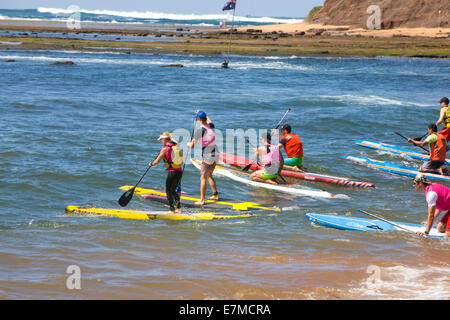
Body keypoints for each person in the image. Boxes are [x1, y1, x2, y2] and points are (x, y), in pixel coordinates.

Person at [187, 110, 219, 205]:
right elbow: (209, 119)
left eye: (197, 118)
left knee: (203, 177)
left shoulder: (200, 131)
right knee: (209, 175)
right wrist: (201, 112)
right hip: (216, 154)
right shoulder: (211, 126)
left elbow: (192, 145)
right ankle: (215, 195)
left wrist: (188, 144)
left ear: (200, 119)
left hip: (207, 156)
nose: (196, 120)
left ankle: (202, 200)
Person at [149, 132, 184, 214]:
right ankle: (179, 209)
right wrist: (171, 138)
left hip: (172, 171)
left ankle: (172, 210)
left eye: (161, 139)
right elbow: (176, 142)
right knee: (173, 191)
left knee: (168, 191)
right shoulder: (176, 146)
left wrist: (151, 164)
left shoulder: (164, 149)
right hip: (179, 171)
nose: (161, 141)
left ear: (165, 139)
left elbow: (157, 161)